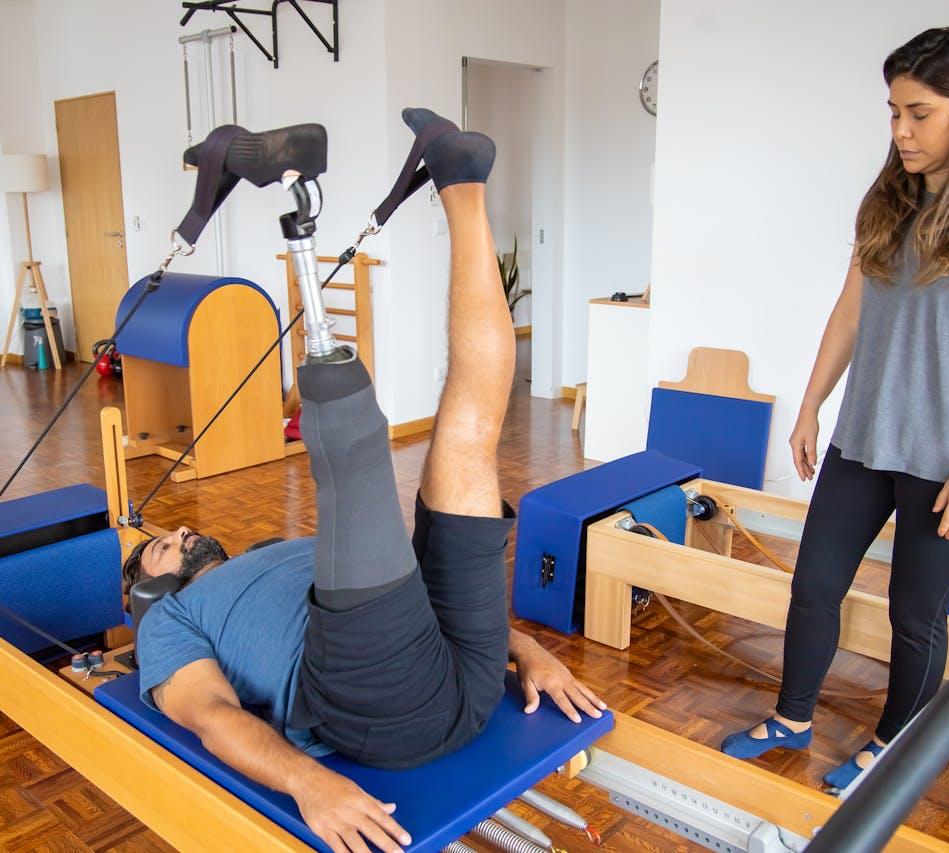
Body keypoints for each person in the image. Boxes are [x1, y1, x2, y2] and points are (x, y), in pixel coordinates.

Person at [121, 109, 607, 853]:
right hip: (391, 712)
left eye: (172, 533)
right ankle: (297, 186)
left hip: (459, 656)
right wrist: (305, 781)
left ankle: (462, 180)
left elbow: (401, 604)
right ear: (147, 590)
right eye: (159, 548)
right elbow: (212, 714)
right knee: (354, 454)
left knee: (472, 425)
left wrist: (522, 647)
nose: (178, 531)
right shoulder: (167, 625)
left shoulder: (269, 551)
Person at [720, 27, 949, 792]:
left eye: (919, 113)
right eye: (893, 113)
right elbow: (850, 310)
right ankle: (793, 716)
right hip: (863, 439)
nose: (901, 131)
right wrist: (810, 405)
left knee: (916, 614)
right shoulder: (889, 199)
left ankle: (893, 743)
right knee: (813, 586)